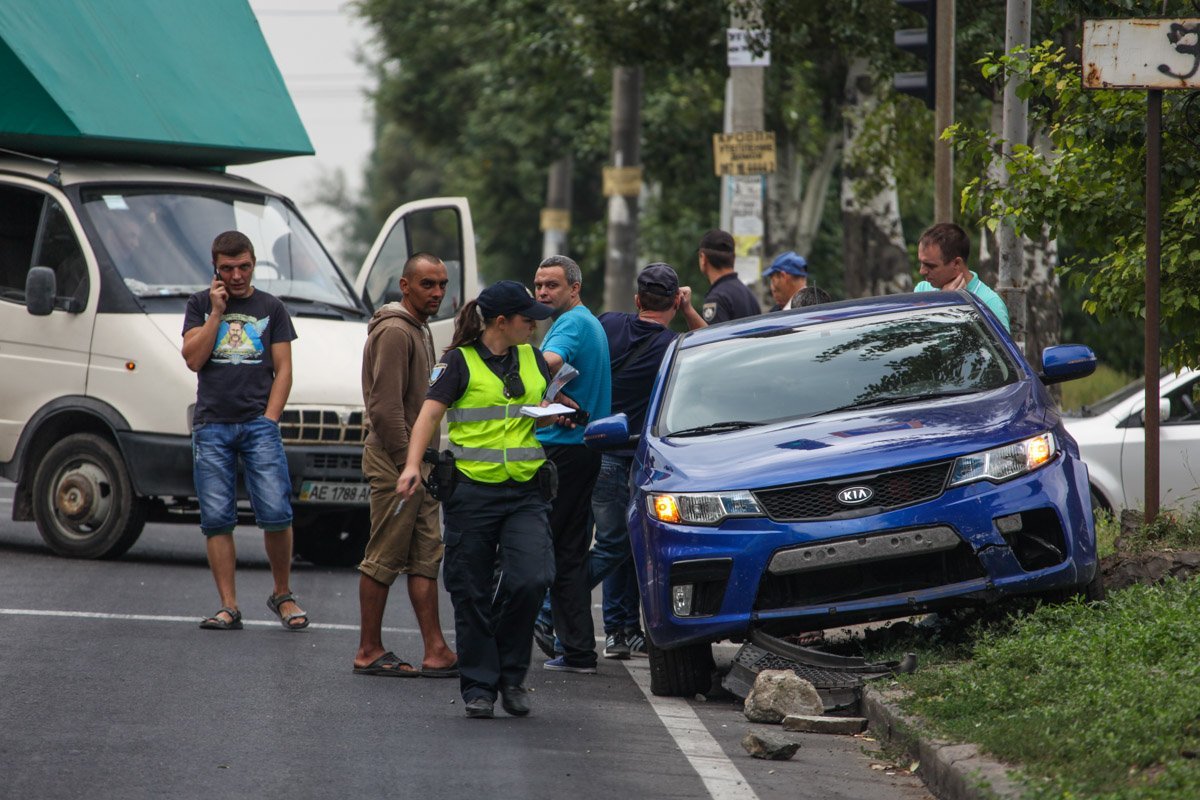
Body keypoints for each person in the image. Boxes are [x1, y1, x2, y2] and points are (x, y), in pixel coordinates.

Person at [395, 280, 559, 719]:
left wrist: (561, 409)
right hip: (472, 491)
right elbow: (429, 413)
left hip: (525, 489)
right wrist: (414, 466)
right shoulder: (457, 362)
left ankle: (511, 673)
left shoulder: (532, 358)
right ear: (501, 322)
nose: (535, 327)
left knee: (532, 578)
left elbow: (541, 401)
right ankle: (482, 685)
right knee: (470, 589)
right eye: (528, 320)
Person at [182, 230, 308, 632]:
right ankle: (229, 606)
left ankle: (282, 594)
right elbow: (193, 359)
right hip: (212, 424)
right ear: (215, 268)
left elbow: (284, 369)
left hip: (258, 424)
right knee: (217, 518)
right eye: (228, 268)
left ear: (254, 264)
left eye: (244, 267)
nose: (237, 276)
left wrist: (270, 419)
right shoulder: (199, 305)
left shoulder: (271, 307)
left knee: (276, 511)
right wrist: (217, 314)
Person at [354, 253, 458, 678]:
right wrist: (406, 464)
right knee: (383, 556)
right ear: (405, 285)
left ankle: (436, 649)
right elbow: (384, 407)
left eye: (442, 284)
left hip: (418, 466)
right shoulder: (397, 330)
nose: (436, 293)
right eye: (428, 284)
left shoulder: (420, 328)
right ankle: (368, 649)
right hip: (396, 463)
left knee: (424, 557)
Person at [593, 263, 704, 658]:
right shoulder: (675, 347)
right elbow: (713, 347)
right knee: (627, 545)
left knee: (614, 545)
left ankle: (619, 629)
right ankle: (556, 605)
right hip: (645, 460)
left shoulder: (608, 325)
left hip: (602, 450)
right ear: (674, 301)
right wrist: (689, 310)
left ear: (638, 300)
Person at [531, 255, 611, 674]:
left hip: (563, 451)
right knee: (569, 553)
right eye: (539, 285)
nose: (542, 293)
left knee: (549, 551)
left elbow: (551, 362)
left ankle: (570, 647)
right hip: (578, 448)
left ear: (574, 289)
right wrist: (550, 399)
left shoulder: (572, 324)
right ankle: (577, 650)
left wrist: (509, 371)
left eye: (552, 286)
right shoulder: (582, 322)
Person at [914, 222, 1010, 331]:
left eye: (930, 266)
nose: (922, 271)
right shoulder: (923, 289)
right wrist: (941, 302)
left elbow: (997, 348)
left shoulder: (990, 303)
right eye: (921, 263)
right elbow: (914, 336)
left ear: (956, 264)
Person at [697, 229, 760, 324]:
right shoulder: (748, 294)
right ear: (733, 259)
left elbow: (714, 337)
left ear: (703, 258)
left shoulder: (716, 298)